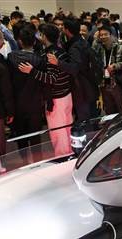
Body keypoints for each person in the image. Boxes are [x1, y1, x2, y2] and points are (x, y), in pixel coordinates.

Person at [18, 23, 73, 157]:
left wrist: (32, 71)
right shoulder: (61, 51)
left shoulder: (50, 54)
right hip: (66, 95)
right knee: (67, 128)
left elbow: (51, 78)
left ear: (44, 36)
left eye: (40, 34)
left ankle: (63, 157)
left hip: (57, 98)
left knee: (58, 131)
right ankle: (69, 153)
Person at [7, 26, 45, 163]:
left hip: (17, 102)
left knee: (21, 135)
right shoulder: (39, 59)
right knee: (35, 135)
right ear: (34, 42)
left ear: (20, 41)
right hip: (35, 102)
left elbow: (8, 81)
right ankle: (38, 162)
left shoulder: (11, 57)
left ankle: (24, 162)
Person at [50, 18, 98, 122]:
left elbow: (75, 67)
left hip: (82, 87)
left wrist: (58, 62)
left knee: (84, 117)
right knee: (91, 114)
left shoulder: (75, 46)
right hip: (89, 83)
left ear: (67, 30)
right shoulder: (82, 41)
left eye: (63, 27)